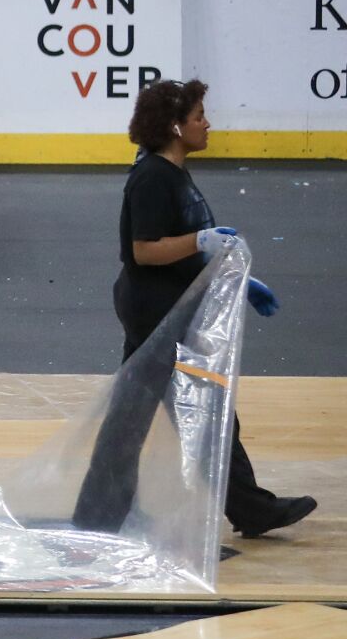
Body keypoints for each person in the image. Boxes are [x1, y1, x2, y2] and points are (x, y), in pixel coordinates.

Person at [71, 79, 316, 539]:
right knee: (204, 409)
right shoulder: (152, 178)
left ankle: (98, 513)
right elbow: (144, 250)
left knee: (139, 414)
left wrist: (235, 278)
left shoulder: (172, 173)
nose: (208, 124)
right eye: (200, 116)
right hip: (160, 313)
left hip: (167, 309)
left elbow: (180, 245)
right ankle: (248, 510)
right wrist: (203, 241)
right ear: (175, 127)